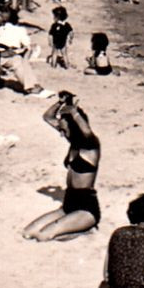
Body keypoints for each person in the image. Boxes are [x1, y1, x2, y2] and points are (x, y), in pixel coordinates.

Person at [23, 93, 101, 242]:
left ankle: (87, 230)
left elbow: (87, 132)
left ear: (74, 126)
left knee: (43, 236)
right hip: (68, 204)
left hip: (86, 209)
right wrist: (60, 103)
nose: (61, 133)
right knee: (28, 232)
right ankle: (75, 227)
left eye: (64, 129)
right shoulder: (73, 142)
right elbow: (47, 117)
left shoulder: (91, 148)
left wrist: (74, 112)